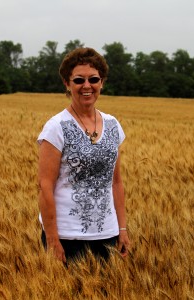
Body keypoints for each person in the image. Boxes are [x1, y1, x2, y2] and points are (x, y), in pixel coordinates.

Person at [37, 47, 130, 265]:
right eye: (79, 80)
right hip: (68, 237)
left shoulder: (112, 125)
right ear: (67, 84)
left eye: (93, 79)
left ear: (102, 82)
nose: (86, 86)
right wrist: (52, 239)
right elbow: (45, 186)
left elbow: (115, 182)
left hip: (107, 235)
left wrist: (122, 229)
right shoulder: (56, 127)